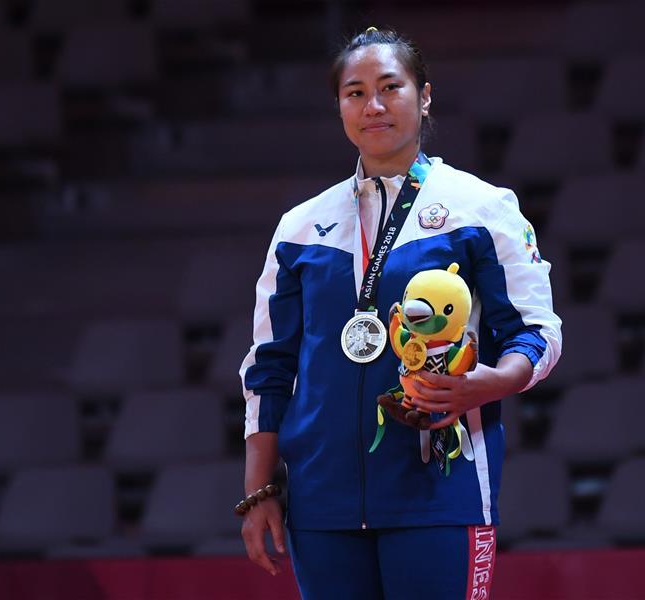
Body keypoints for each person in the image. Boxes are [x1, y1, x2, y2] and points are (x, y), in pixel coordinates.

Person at [238, 27, 562, 600]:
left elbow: (536, 332)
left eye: (391, 87)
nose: (374, 106)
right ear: (339, 105)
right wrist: (259, 490)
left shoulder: (481, 208)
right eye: (355, 93)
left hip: (441, 488)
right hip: (321, 502)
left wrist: (486, 385)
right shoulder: (299, 228)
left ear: (425, 95)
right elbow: (269, 366)